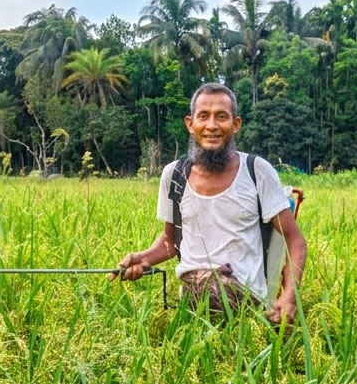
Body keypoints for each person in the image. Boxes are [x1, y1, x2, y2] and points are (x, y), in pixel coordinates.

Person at [112, 82, 307, 324]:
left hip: (244, 296)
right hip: (193, 294)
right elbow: (170, 243)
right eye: (203, 116)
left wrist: (289, 295)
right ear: (190, 124)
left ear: (235, 125)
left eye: (221, 117)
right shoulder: (174, 176)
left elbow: (295, 241)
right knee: (204, 293)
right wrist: (142, 259)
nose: (212, 126)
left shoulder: (257, 171)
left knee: (216, 290)